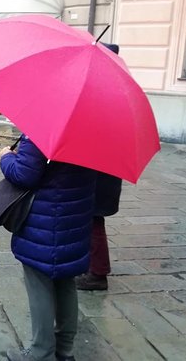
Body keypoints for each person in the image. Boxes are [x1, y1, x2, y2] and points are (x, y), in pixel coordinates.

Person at [0, 136, 97, 361]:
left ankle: (41, 352)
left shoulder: (46, 128)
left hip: (47, 220)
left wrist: (6, 158)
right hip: (75, 217)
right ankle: (64, 349)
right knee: (65, 282)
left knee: (38, 282)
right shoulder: (91, 132)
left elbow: (24, 174)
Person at [76, 44, 123, 292]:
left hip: (99, 174)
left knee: (93, 222)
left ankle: (98, 273)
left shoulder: (103, 94)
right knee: (90, 221)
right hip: (103, 172)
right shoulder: (114, 91)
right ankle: (90, 267)